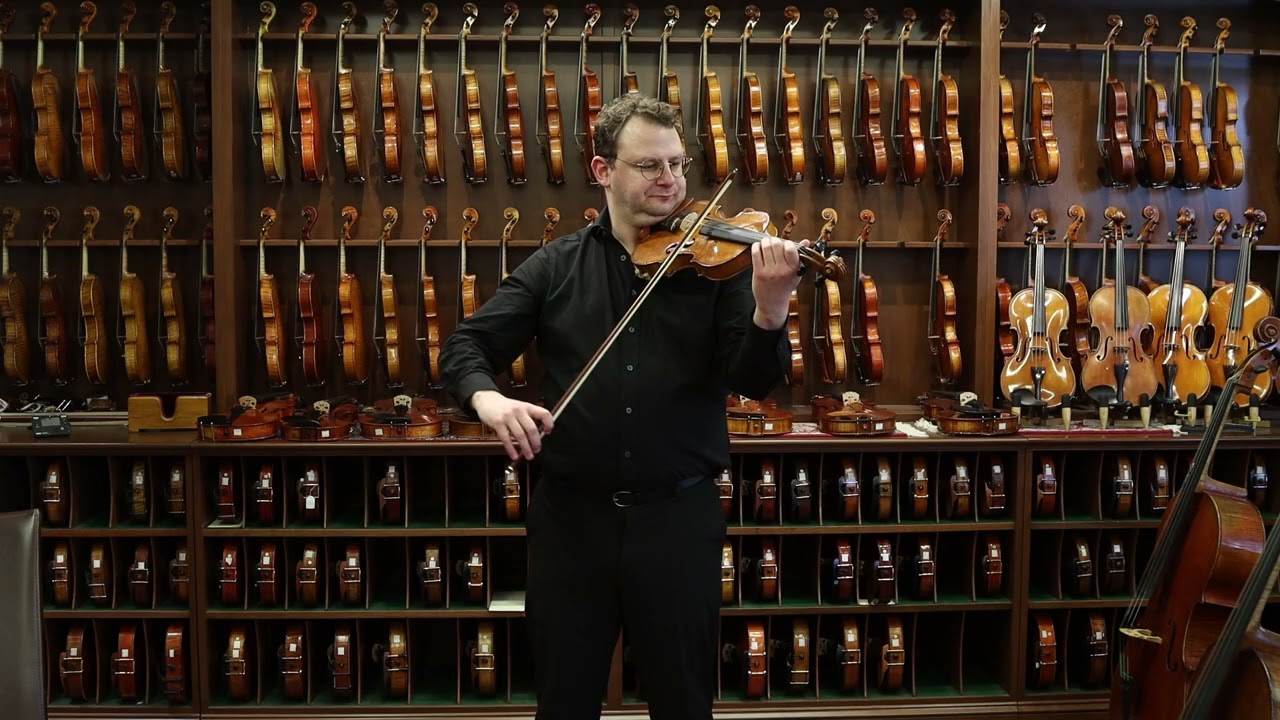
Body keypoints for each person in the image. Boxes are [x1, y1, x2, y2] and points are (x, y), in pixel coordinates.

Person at [439, 94, 807, 720]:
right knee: (564, 700)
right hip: (571, 523)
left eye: (676, 163)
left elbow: (752, 382)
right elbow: (465, 345)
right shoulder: (556, 266)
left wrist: (770, 310)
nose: (669, 180)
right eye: (649, 166)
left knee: (684, 701)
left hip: (680, 520)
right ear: (604, 170)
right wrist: (490, 399)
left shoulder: (713, 268)